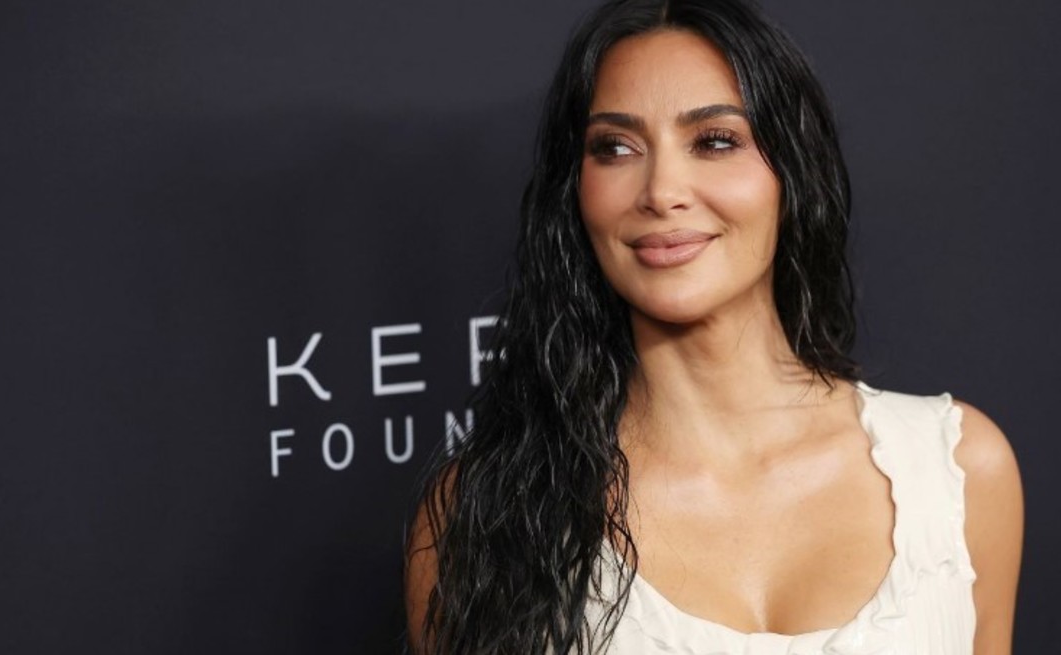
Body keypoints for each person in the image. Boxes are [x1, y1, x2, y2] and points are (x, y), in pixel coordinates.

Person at [403, 0, 1023, 653]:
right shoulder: (483, 515)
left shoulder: (959, 471)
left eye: (714, 141)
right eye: (615, 147)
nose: (661, 190)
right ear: (575, 190)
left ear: (792, 169)